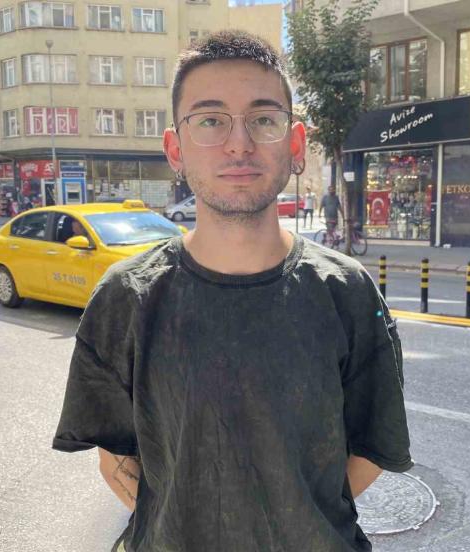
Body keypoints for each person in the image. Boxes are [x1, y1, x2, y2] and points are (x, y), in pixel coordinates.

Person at [52, 30, 411, 552]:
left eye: (263, 119)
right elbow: (118, 460)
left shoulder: (347, 292)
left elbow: (372, 447)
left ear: (294, 144)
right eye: (210, 120)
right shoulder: (126, 298)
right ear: (175, 149)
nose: (239, 143)